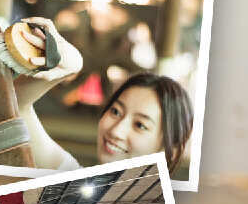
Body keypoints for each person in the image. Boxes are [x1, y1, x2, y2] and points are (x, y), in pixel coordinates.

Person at [11, 22, 194, 174]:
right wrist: (70, 65)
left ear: (168, 151)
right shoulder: (73, 179)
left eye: (140, 125)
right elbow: (17, 104)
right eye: (115, 111)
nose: (116, 131)